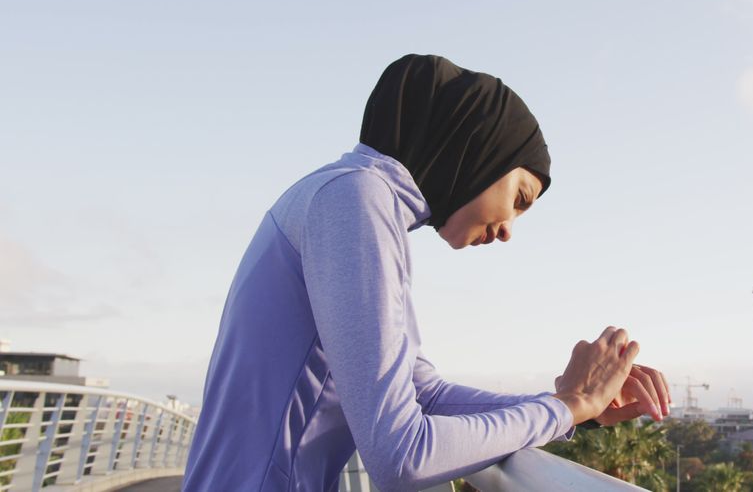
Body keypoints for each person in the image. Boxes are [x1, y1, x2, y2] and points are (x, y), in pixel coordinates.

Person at [183, 54, 671, 492]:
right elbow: (401, 455)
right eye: (519, 199)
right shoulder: (355, 200)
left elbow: (425, 395)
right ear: (481, 149)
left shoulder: (348, 198)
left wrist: (570, 408)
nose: (507, 231)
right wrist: (568, 405)